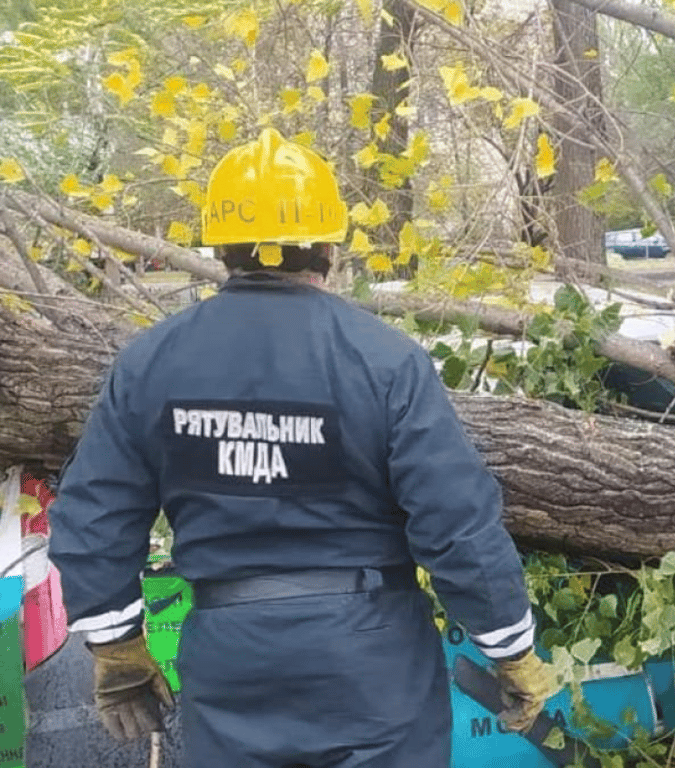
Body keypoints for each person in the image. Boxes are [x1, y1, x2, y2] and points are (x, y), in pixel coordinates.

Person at [49, 127, 559, 767]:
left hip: (232, 658)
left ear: (222, 245)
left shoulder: (153, 362)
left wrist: (116, 644)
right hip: (370, 659)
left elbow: (94, 511)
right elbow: (454, 522)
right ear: (327, 244)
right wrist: (508, 649)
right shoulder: (385, 361)